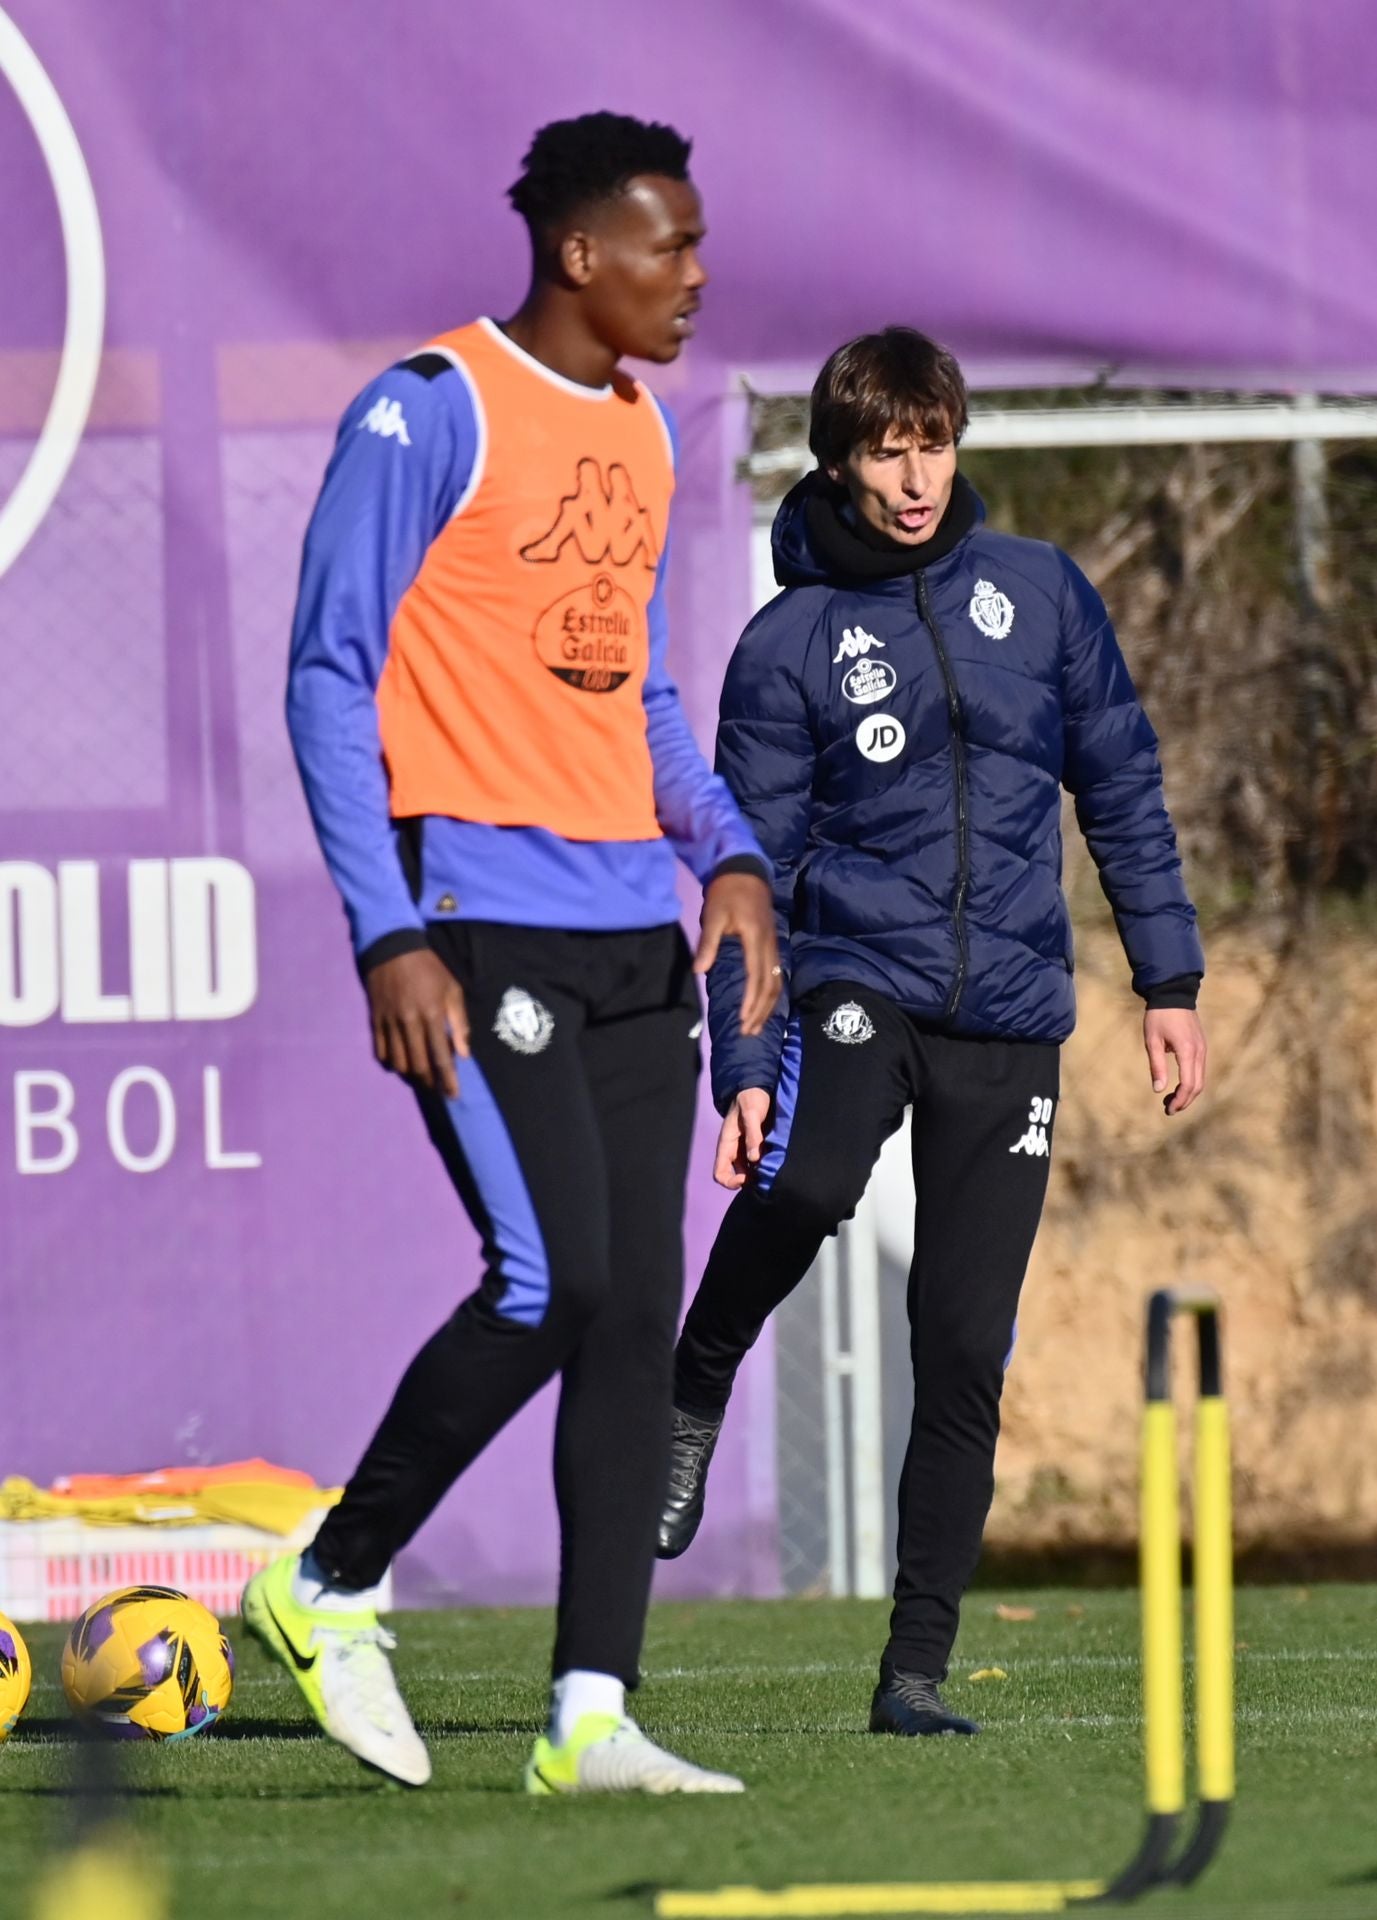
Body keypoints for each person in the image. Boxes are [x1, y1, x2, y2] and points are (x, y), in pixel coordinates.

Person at [243, 112, 778, 1795]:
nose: (693, 277)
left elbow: (646, 701)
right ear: (578, 254)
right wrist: (385, 929)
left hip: (633, 933)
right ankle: (324, 1582)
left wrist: (733, 852)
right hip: (475, 923)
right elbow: (329, 674)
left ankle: (589, 1720)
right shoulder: (429, 407)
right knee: (549, 1281)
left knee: (632, 1320)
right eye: (667, 247)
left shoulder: (644, 433)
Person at [656, 327, 1206, 1737]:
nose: (913, 477)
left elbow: (1124, 794)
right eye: (885, 449)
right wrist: (743, 1066)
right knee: (817, 1181)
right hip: (855, 981)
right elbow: (748, 878)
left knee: (961, 1342)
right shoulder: (784, 647)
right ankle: (700, 1372)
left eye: (933, 442)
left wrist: (1168, 984)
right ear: (839, 462)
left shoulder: (1040, 593)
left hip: (1011, 1016)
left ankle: (912, 1679)